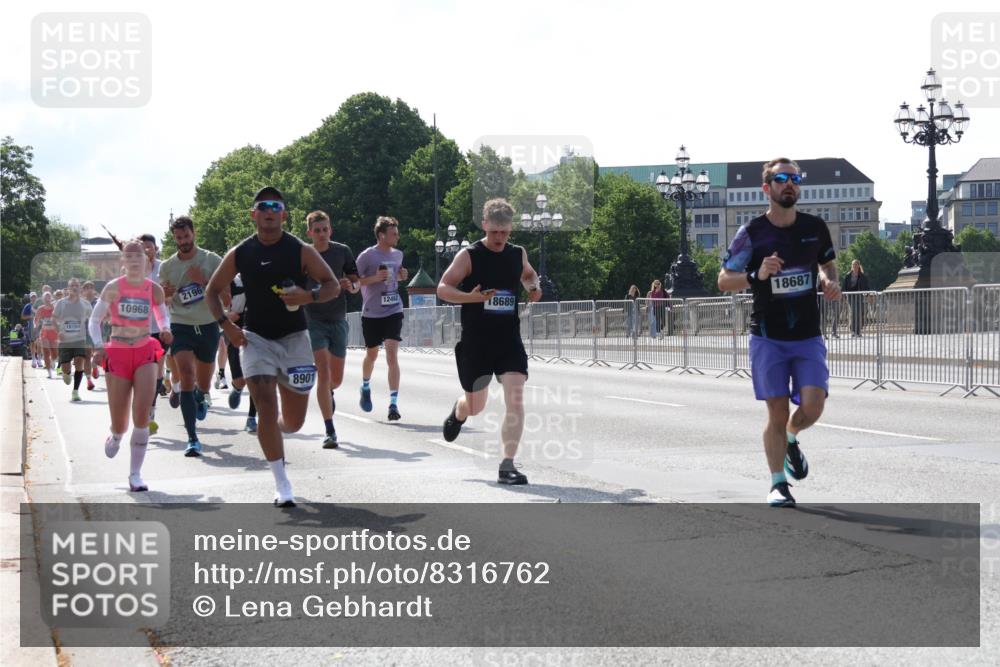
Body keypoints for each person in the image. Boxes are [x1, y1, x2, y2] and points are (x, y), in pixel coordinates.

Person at [717, 158, 841, 507]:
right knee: (776, 410)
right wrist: (757, 275)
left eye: (795, 179)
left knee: (814, 406)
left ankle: (791, 436)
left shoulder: (815, 227)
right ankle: (777, 484)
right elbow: (724, 280)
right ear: (766, 188)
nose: (790, 184)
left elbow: (827, 262)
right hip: (768, 336)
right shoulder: (752, 233)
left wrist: (830, 279)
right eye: (782, 178)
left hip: (807, 335)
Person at [205, 186, 339, 507]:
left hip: (295, 340)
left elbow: (332, 284)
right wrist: (227, 326)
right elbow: (212, 291)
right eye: (262, 206)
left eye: (275, 206)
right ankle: (282, 483)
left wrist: (309, 297)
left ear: (284, 214)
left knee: (293, 422)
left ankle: (276, 428)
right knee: (265, 404)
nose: (268, 210)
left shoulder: (301, 250)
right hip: (256, 339)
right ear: (254, 214)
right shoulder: (241, 252)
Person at [437, 198, 543, 485]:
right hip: (477, 342)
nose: (499, 238)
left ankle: (507, 465)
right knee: (476, 406)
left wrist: (534, 289)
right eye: (494, 232)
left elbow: (530, 275)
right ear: (485, 225)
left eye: (504, 232)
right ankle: (459, 412)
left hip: (508, 339)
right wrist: (471, 297)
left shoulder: (517, 253)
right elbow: (443, 288)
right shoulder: (469, 255)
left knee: (516, 400)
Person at [87, 239, 172, 492]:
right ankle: (115, 435)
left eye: (140, 257)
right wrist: (98, 345)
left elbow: (161, 314)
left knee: (142, 414)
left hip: (145, 350)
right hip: (118, 352)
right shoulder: (113, 288)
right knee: (121, 422)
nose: (135, 261)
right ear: (122, 262)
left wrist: (166, 328)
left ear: (147, 261)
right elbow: (94, 321)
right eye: (130, 257)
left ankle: (135, 474)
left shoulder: (153, 289)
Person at [159, 216, 225, 457]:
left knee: (204, 386)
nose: (183, 242)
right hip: (181, 325)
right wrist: (164, 294)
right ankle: (192, 438)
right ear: (174, 238)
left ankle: (201, 394)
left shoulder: (211, 259)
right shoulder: (167, 266)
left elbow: (225, 295)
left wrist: (204, 281)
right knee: (186, 374)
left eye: (186, 236)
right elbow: (163, 302)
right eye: (178, 238)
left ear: (193, 233)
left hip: (207, 325)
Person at [304, 210, 360, 448]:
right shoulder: (303, 255)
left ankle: (329, 394)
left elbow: (356, 282)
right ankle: (330, 430)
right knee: (324, 375)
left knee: (335, 380)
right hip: (313, 321)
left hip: (338, 319)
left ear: (331, 230)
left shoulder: (342, 251)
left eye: (325, 229)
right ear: (310, 233)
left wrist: (351, 285)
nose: (322, 234)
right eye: (317, 230)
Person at [355, 216, 408, 420]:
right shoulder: (367, 256)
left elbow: (398, 278)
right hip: (372, 312)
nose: (397, 236)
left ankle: (393, 405)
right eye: (393, 233)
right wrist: (374, 278)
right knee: (372, 355)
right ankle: (365, 386)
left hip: (394, 309)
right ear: (381, 235)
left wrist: (402, 275)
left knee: (392, 356)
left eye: (397, 232)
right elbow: (354, 282)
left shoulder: (398, 255)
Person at [223, 274, 259, 432]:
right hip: (235, 329)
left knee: (255, 376)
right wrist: (225, 315)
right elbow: (214, 301)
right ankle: (237, 388)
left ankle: (252, 418)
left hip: (257, 329)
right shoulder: (230, 281)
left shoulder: (264, 276)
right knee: (241, 379)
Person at [52, 278, 93, 402]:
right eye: (72, 286)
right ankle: (66, 373)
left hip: (80, 338)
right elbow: (54, 318)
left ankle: (75, 391)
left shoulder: (86, 304)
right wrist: (58, 331)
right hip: (65, 340)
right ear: (68, 288)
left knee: (79, 361)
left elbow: (92, 321)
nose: (74, 287)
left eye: (77, 285)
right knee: (65, 367)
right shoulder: (61, 303)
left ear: (80, 288)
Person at [842, 259, 870, 337]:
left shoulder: (862, 275)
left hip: (859, 295)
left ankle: (858, 331)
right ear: (852, 266)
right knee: (853, 313)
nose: (855, 266)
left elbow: (866, 285)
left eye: (856, 264)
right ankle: (853, 331)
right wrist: (843, 295)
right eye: (853, 265)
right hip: (850, 295)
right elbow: (844, 285)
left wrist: (867, 294)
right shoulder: (848, 275)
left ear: (858, 265)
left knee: (859, 313)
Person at [33, 292, 58, 378]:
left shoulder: (55, 308)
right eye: (45, 297)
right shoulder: (40, 309)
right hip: (44, 333)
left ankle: (52, 362)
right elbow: (36, 320)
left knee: (55, 354)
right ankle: (49, 372)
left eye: (49, 297)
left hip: (54, 333)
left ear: (51, 298)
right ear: (43, 299)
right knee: (46, 353)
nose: (47, 299)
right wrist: (36, 328)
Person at [81, 281, 99, 388]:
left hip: (98, 331)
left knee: (96, 354)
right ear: (83, 291)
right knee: (87, 355)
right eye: (86, 288)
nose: (89, 289)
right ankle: (88, 380)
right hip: (85, 332)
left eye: (91, 287)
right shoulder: (80, 303)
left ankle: (95, 365)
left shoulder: (99, 302)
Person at [20, 293, 38, 367]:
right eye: (32, 297)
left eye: (34, 297)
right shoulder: (28, 306)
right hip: (31, 326)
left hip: (40, 325)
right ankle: (34, 358)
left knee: (40, 342)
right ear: (30, 298)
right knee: (32, 342)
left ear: (36, 297)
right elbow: (22, 317)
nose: (33, 298)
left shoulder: (40, 305)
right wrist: (31, 316)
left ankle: (39, 358)